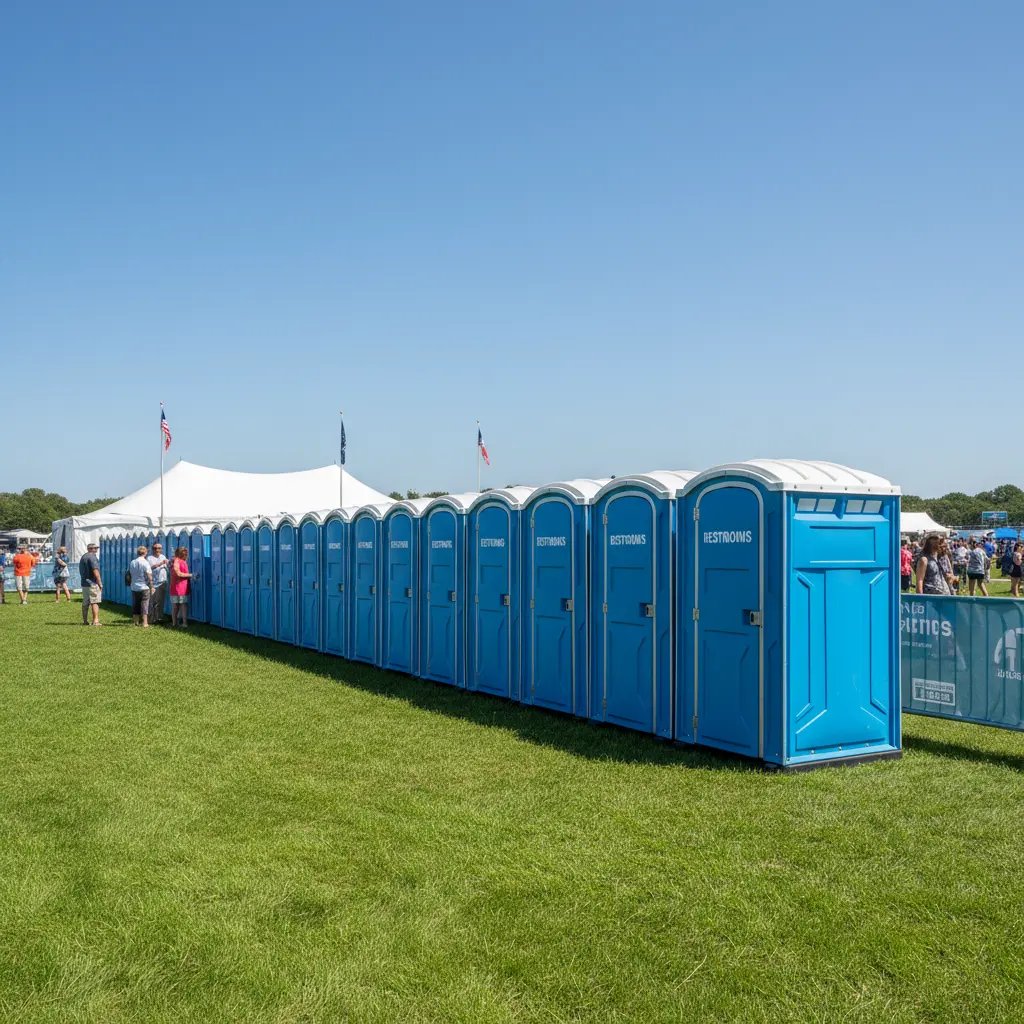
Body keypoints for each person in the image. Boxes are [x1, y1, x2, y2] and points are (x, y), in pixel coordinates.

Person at [129, 545, 154, 627]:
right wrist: (152, 586)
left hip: (134, 586)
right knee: (144, 604)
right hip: (144, 587)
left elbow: (129, 574)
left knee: (136, 604)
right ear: (145, 553)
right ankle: (145, 623)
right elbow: (149, 575)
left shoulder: (132, 562)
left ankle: (135, 622)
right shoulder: (145, 562)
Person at [79, 541, 103, 626]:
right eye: (95, 548)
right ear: (90, 549)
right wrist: (100, 583)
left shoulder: (83, 557)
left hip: (84, 582)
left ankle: (85, 621)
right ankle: (95, 621)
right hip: (92, 583)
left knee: (85, 602)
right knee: (94, 602)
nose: (96, 550)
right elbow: (95, 570)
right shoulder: (92, 557)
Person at [169, 546, 193, 627]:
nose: (185, 554)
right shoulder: (177, 561)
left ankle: (175, 623)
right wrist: (191, 575)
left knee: (177, 605)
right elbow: (178, 573)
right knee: (181, 605)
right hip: (179, 587)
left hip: (179, 586)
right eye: (184, 553)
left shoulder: (179, 561)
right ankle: (182, 623)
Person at [147, 542, 170, 625]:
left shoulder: (163, 556)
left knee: (161, 601)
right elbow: (149, 568)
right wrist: (160, 564)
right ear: (152, 549)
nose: (157, 550)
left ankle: (159, 618)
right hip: (154, 582)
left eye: (159, 548)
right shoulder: (150, 558)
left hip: (163, 582)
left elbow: (167, 567)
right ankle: (151, 619)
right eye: (155, 548)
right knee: (152, 601)